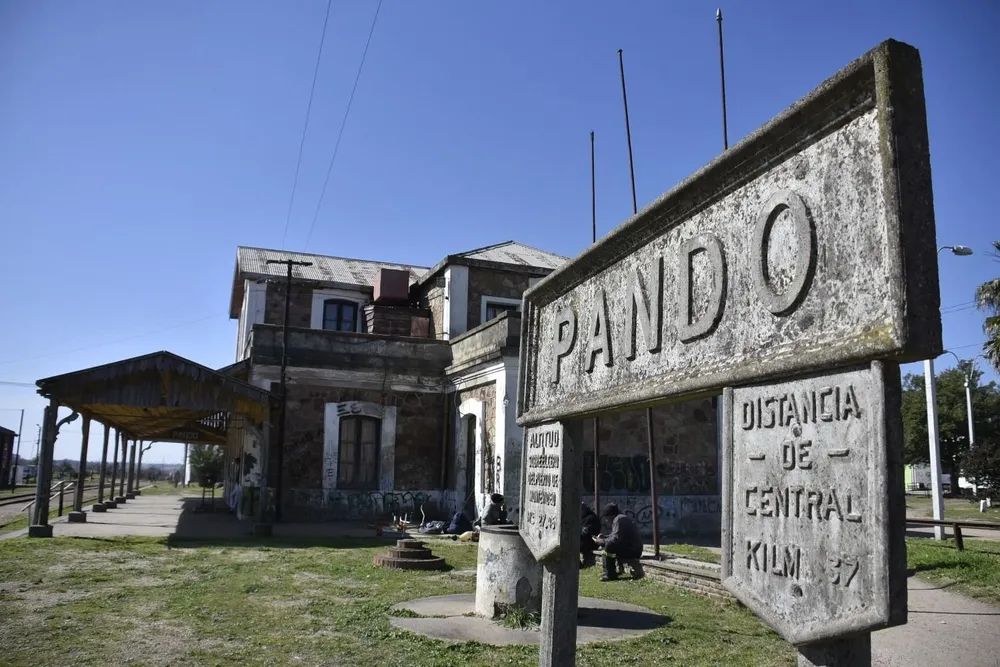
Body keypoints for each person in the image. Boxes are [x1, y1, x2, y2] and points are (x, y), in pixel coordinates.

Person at [595, 503, 643, 581]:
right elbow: (615, 535)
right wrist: (605, 537)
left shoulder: (619, 519)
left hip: (633, 550)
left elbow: (615, 539)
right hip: (631, 547)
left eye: (607, 518)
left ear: (611, 516)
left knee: (609, 546)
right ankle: (609, 572)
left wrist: (602, 541)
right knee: (608, 545)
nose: (606, 520)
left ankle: (609, 574)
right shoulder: (620, 518)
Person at [580, 503, 601, 568]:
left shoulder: (590, 518)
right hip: (586, 540)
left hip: (591, 542)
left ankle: (578, 565)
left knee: (571, 545)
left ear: (583, 510)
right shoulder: (585, 517)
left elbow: (585, 534)